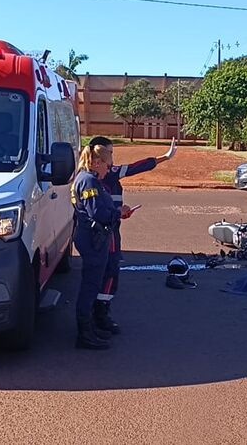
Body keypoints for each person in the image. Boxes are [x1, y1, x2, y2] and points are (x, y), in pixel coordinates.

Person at [86, 136, 177, 334]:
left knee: (109, 271)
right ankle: (97, 316)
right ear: (98, 157)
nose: (112, 159)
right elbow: (96, 211)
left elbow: (138, 166)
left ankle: (99, 312)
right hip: (101, 232)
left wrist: (165, 157)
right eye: (109, 153)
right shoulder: (93, 179)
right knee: (106, 272)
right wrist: (117, 213)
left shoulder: (106, 173)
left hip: (109, 228)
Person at [71, 143, 132, 349]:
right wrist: (118, 213)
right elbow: (98, 214)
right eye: (108, 164)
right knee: (90, 286)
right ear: (97, 162)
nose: (109, 168)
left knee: (93, 284)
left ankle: (90, 328)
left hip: (92, 237)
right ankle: (85, 334)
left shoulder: (88, 178)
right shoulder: (89, 181)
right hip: (93, 239)